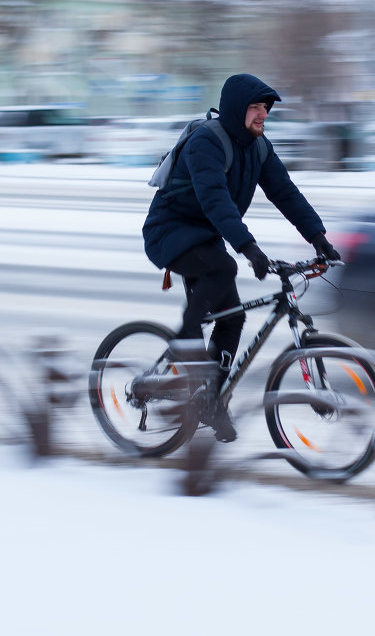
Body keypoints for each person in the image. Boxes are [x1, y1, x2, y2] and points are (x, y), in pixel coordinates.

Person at [141, 73, 340, 442]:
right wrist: (248, 247)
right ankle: (187, 339)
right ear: (236, 110)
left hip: (204, 235)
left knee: (232, 318)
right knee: (223, 267)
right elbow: (214, 199)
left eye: (266, 108)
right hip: (169, 231)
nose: (263, 114)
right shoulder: (207, 142)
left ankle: (209, 400)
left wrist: (318, 238)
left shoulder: (258, 147)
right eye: (255, 107)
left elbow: (286, 192)